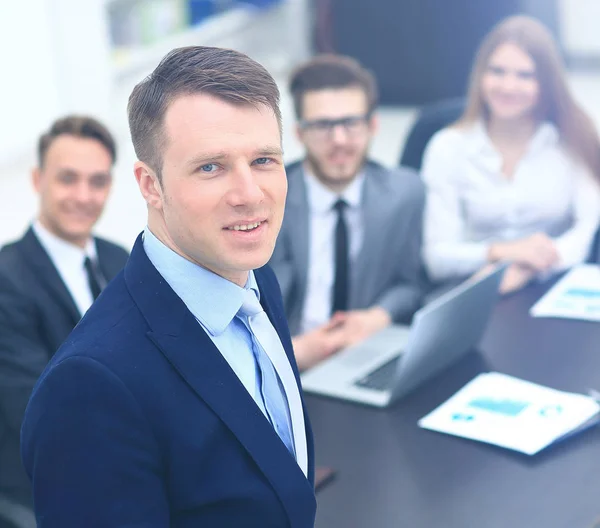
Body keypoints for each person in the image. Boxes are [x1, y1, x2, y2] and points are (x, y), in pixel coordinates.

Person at [21, 46, 316, 527]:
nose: (250, 195)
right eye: (210, 167)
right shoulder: (90, 388)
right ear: (150, 185)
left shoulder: (255, 276)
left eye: (264, 160)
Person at [0, 115, 128, 521]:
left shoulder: (118, 259)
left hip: (128, 463)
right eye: (67, 179)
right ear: (38, 180)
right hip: (47, 485)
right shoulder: (7, 278)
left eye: (97, 181)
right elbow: (33, 409)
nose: (83, 195)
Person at [422, 15, 600, 294]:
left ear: (547, 83)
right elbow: (436, 257)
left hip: (551, 282)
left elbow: (585, 231)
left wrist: (528, 268)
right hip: (469, 286)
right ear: (480, 75)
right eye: (497, 71)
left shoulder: (574, 138)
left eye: (524, 75)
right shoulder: (447, 147)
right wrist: (506, 252)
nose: (508, 86)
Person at [270, 55, 424, 370]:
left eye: (351, 123)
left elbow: (413, 284)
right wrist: (290, 353)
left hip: (364, 357)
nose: (339, 140)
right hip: (286, 363)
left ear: (372, 125)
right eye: (323, 126)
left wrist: (377, 317)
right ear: (300, 133)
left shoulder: (406, 192)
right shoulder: (267, 200)